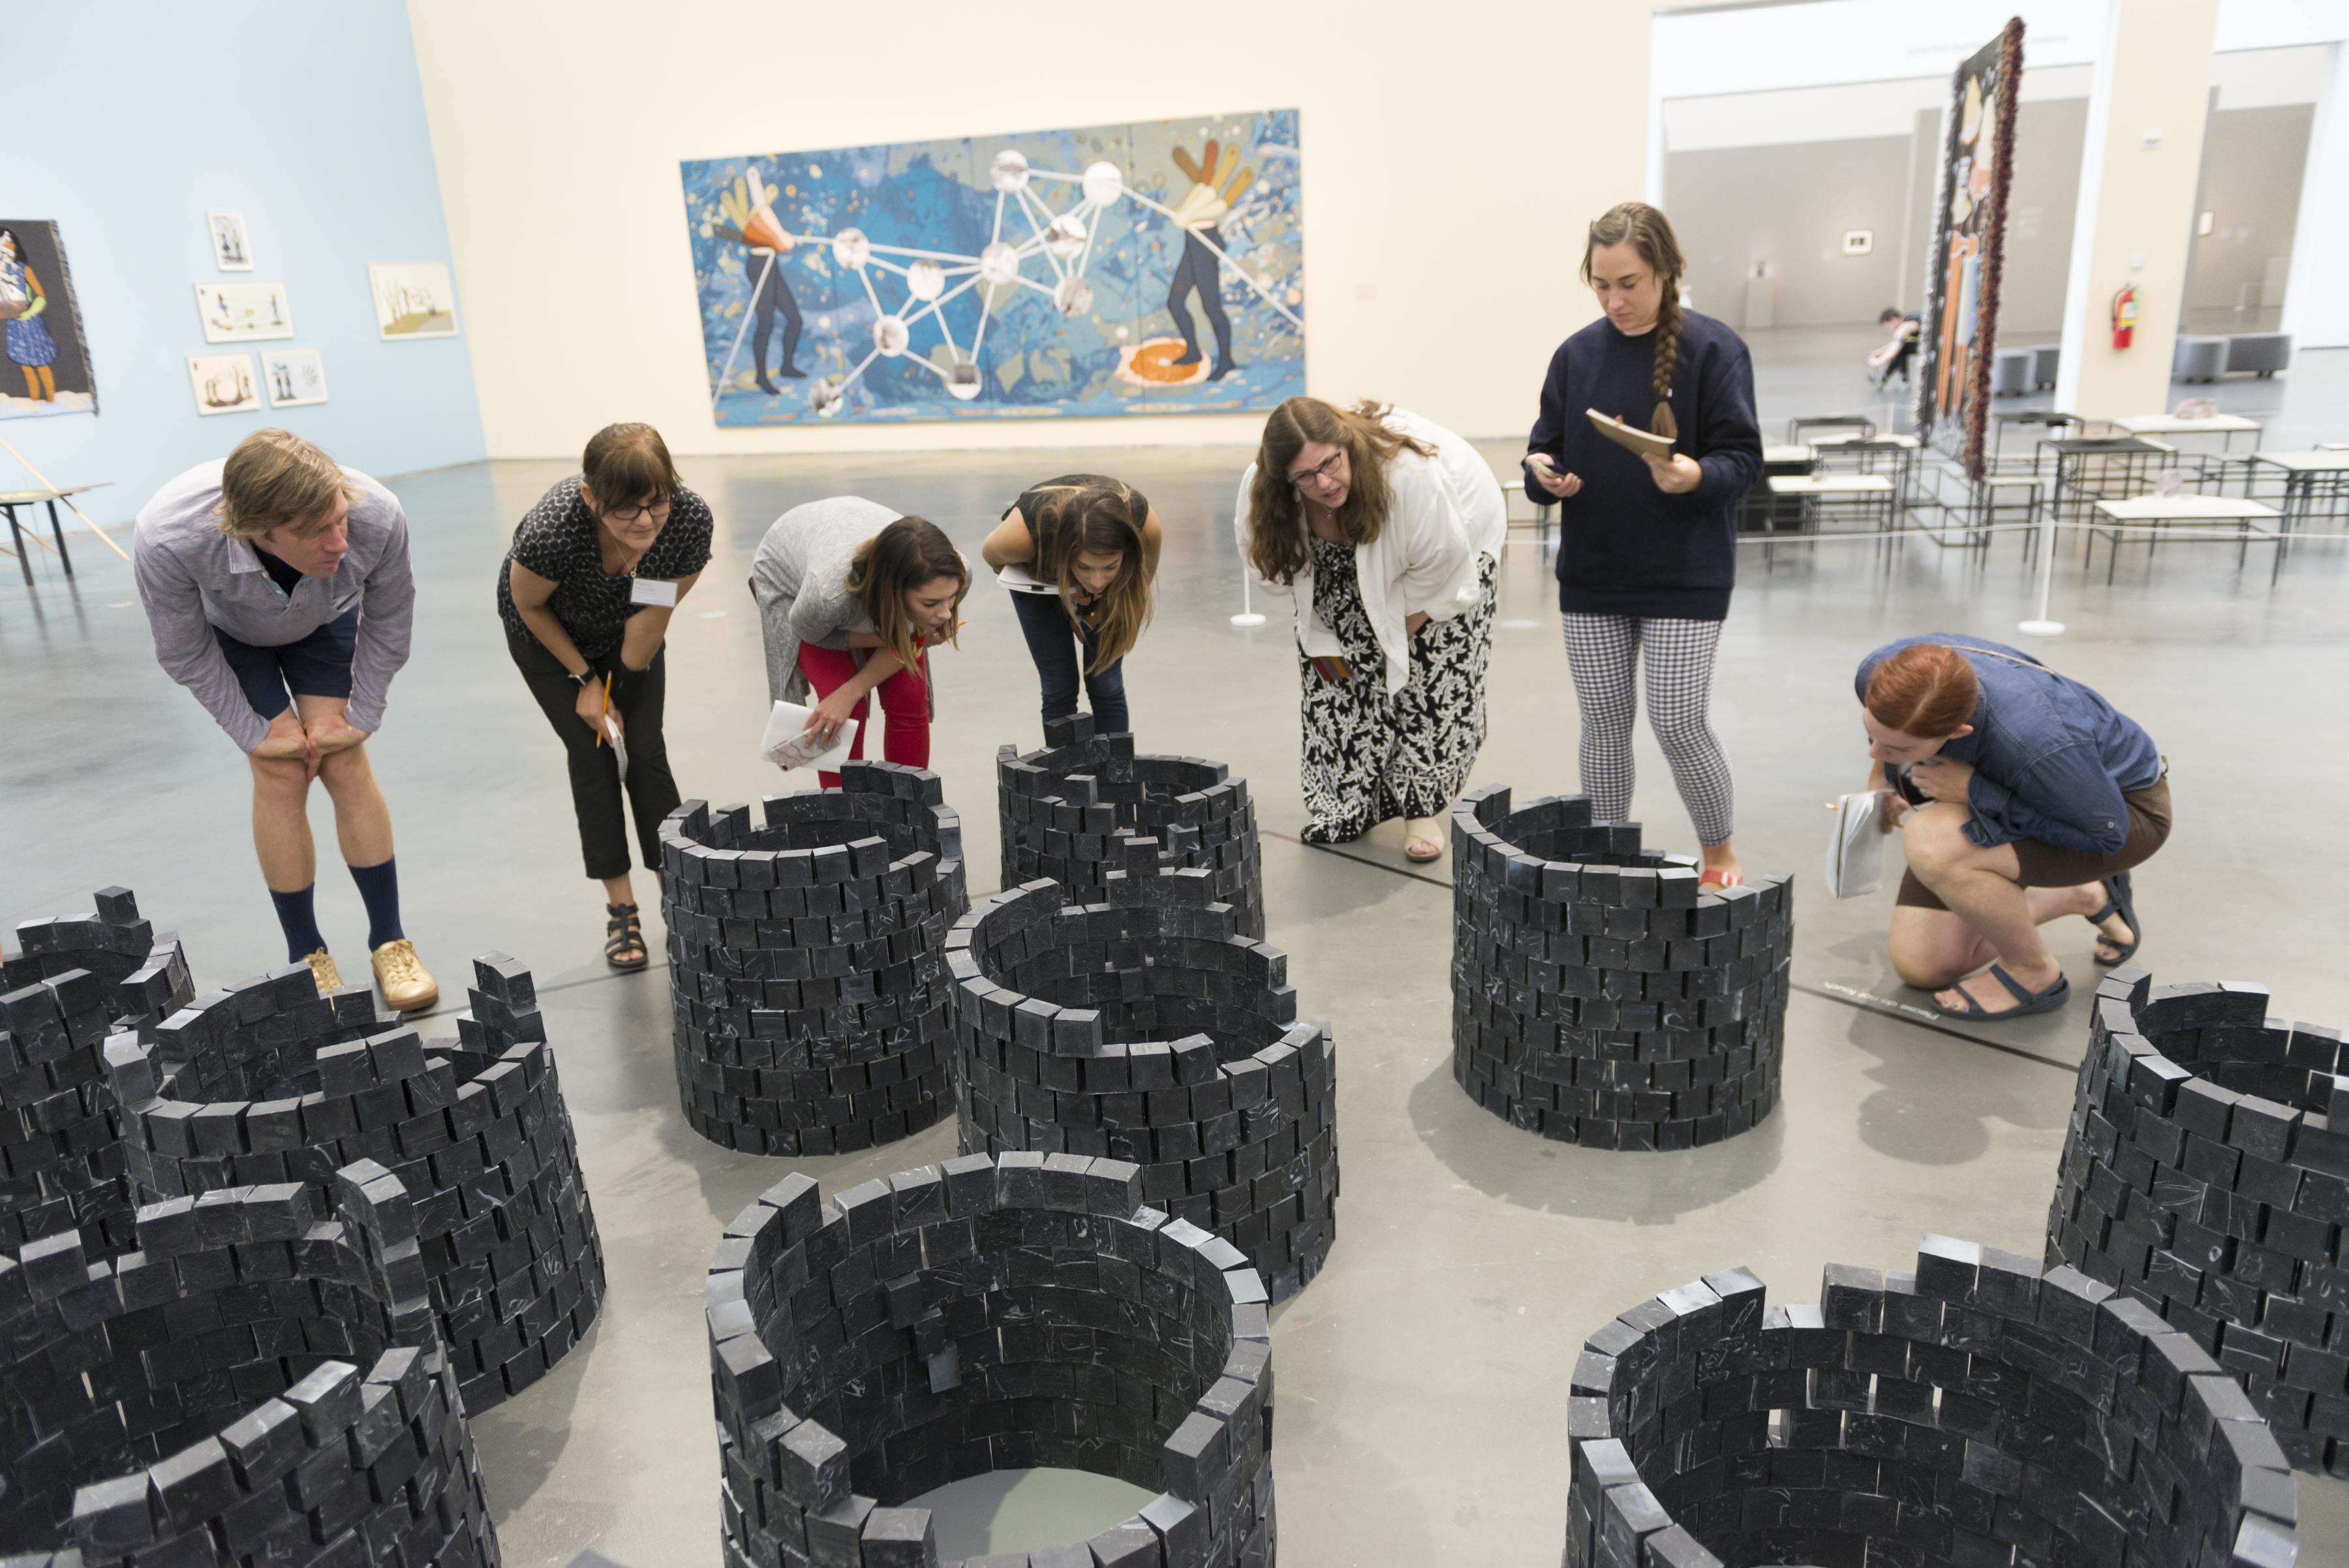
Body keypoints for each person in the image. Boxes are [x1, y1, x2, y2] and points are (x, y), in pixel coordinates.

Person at [132, 429, 436, 1010]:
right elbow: (183, 651)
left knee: (343, 761)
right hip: (231, 633)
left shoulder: (376, 515)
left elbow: (391, 619)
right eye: (315, 531)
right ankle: (308, 956)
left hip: (324, 616)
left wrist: (364, 714)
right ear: (258, 532)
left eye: (340, 519)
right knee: (281, 771)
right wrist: (253, 734)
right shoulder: (169, 535)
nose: (339, 541)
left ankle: (390, 940)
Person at [1523, 201, 1762, 893]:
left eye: (1628, 282)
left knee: (1679, 721)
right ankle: (1605, 853)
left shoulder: (1715, 350)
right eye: (1600, 284)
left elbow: (1743, 461)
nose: (1613, 299)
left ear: (1665, 272)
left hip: (1686, 576)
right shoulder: (1576, 355)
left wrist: (1693, 474)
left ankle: (1717, 852)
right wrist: (1542, 476)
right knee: (1602, 725)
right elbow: (1545, 448)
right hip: (1594, 573)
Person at [1236, 397, 1507, 861]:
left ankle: (1420, 807)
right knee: (1334, 682)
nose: (1322, 483)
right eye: (1305, 476)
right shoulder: (1264, 491)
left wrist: (1392, 637)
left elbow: (1443, 573)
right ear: (1283, 477)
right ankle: (1349, 802)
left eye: (1329, 463)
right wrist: (1328, 642)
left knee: (1426, 678)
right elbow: (1275, 569)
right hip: (1365, 557)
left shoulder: (1408, 478)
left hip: (1449, 551)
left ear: (1346, 446)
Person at [1854, 637, 2162, 1021]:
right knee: (1924, 966)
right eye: (1873, 733)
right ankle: (2084, 894)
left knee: (1931, 838)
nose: (1876, 751)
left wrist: (1977, 792)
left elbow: (2107, 836)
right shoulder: (1879, 670)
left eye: (1898, 749)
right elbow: (1884, 737)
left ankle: (2034, 972)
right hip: (2015, 781)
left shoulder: (2038, 742)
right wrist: (1883, 775)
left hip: (2117, 815)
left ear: (1958, 733)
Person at [500, 423, 711, 971]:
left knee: (643, 750)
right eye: (625, 510)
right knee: (593, 753)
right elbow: (529, 605)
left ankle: (680, 900)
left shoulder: (687, 519)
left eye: (655, 503)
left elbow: (656, 609)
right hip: (548, 637)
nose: (644, 521)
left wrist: (620, 676)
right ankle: (622, 909)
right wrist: (584, 681)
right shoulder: (552, 533)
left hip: (627, 629)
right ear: (592, 497)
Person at [750, 499, 969, 789]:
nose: (944, 614)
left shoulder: (956, 574)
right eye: (931, 603)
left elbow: (906, 639)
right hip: (794, 585)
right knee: (840, 714)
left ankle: (911, 807)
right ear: (893, 592)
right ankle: (844, 818)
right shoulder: (827, 596)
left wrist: (900, 637)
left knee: (908, 696)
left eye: (950, 600)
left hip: (850, 548)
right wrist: (891, 641)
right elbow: (813, 633)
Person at [977, 475, 1161, 735]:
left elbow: (1141, 582)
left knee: (1106, 681)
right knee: (1059, 686)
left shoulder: (1145, 526)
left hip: (1109, 584)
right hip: (1041, 575)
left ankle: (1117, 774)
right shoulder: (1021, 538)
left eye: (1110, 566)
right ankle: (1063, 773)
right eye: (1085, 567)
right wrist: (1065, 594)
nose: (1097, 581)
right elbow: (993, 558)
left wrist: (1094, 604)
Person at [1869, 307, 1922, 388]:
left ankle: (1895, 379)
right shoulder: (1906, 321)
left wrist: (1878, 362)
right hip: (1924, 345)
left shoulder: (1905, 327)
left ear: (1893, 320)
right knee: (1902, 349)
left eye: (1888, 325)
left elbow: (1895, 349)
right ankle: (1893, 379)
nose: (1889, 328)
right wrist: (1880, 351)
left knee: (1901, 350)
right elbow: (1896, 342)